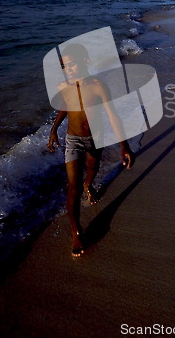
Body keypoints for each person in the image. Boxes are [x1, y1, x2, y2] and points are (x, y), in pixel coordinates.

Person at [47, 44, 134, 257]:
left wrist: (125, 145)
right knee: (72, 187)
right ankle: (76, 231)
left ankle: (89, 185)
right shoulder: (64, 86)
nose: (68, 69)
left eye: (72, 64)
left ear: (85, 62)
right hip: (73, 140)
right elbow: (65, 107)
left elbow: (112, 115)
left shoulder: (98, 86)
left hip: (96, 137)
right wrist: (54, 129)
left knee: (92, 168)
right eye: (64, 66)